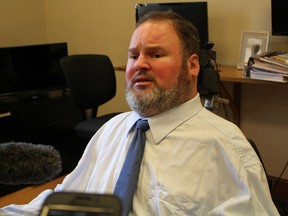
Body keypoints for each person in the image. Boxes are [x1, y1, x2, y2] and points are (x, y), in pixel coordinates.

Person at [0, 11, 279, 216]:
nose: (139, 65)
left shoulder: (227, 149)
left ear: (192, 66)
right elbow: (64, 200)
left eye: (156, 55)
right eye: (134, 55)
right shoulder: (110, 130)